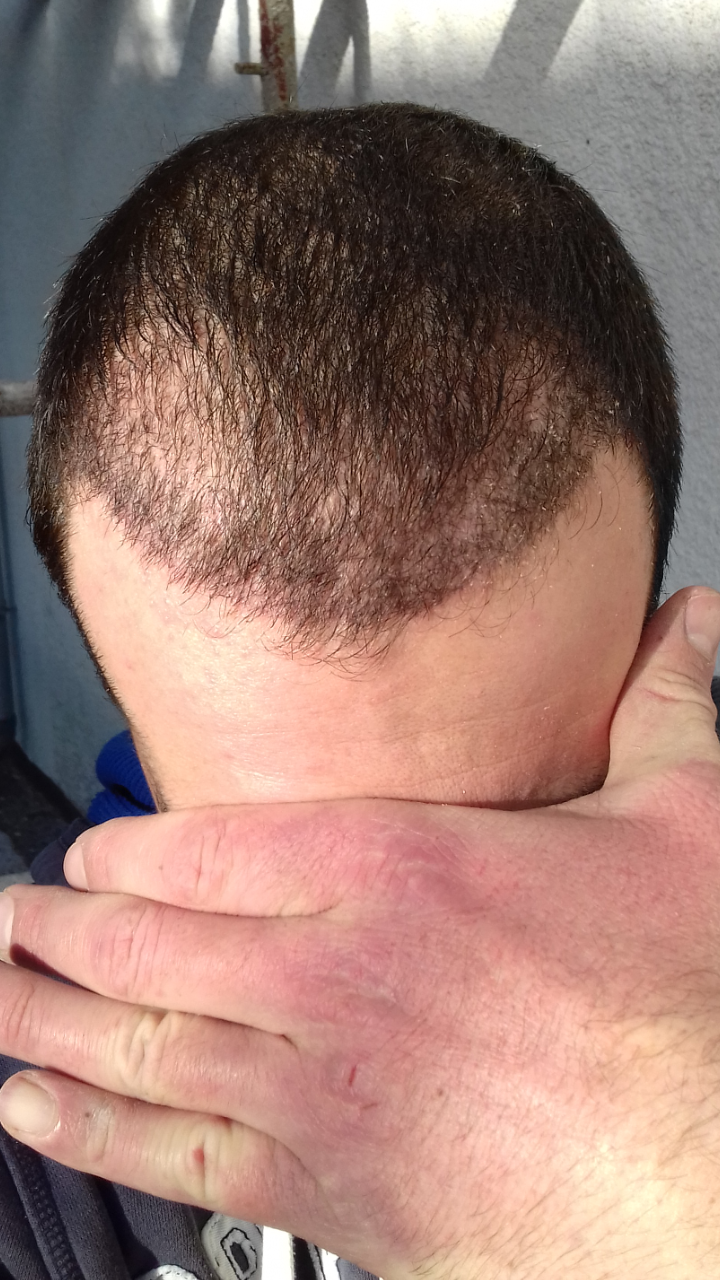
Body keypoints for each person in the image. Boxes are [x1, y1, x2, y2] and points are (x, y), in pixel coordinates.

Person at [0, 103, 719, 1279]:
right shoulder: (44, 1118)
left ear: (661, 668)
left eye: (541, 830)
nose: (413, 984)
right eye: (291, 879)